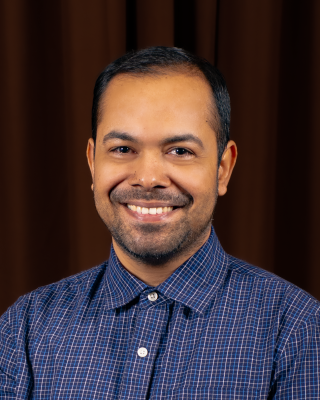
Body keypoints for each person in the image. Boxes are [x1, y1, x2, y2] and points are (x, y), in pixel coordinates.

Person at [0, 47, 319, 400]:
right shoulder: (24, 329)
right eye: (122, 149)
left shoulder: (295, 331)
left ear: (222, 169)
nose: (148, 178)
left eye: (180, 151)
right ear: (93, 163)